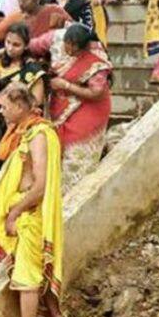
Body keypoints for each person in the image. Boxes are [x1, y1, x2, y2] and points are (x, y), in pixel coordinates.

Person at [0, 82, 66, 317]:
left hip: (30, 214)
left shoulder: (39, 135)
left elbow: (40, 185)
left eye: (4, 106)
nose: (1, 112)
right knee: (33, 274)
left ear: (20, 106)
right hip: (21, 211)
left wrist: (14, 213)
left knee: (28, 281)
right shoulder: (26, 133)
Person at [50, 24, 112, 194]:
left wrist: (65, 85)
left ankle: (77, 192)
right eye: (66, 43)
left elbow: (96, 93)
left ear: (82, 45)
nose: (68, 47)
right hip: (69, 108)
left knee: (77, 154)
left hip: (91, 110)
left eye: (73, 45)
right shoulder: (69, 56)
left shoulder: (96, 64)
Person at [0, 23, 47, 105]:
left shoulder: (32, 71)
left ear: (26, 46)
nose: (10, 48)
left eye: (16, 45)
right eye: (8, 42)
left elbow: (37, 102)